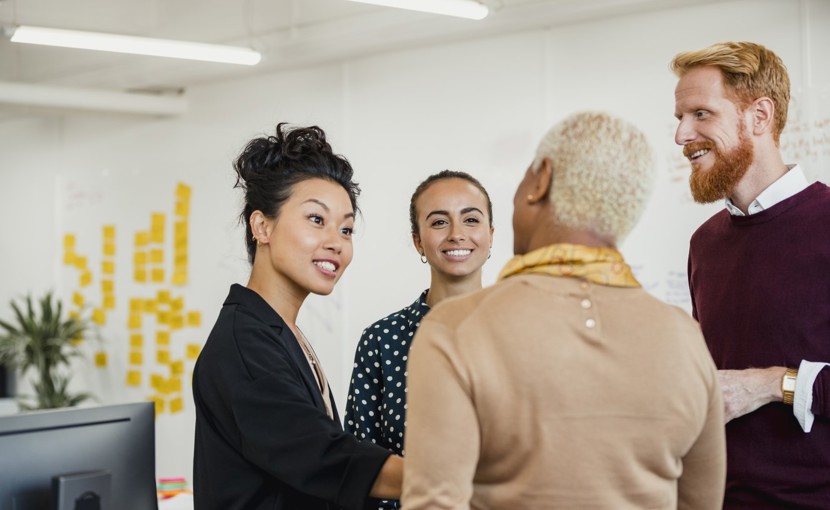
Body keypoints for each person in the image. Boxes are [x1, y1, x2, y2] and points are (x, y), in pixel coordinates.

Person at [401, 111, 726, 509]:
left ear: (541, 180)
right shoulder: (683, 337)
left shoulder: (454, 328)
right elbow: (701, 503)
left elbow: (434, 503)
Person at [192, 123, 403, 510]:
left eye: (347, 228)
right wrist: (452, 477)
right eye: (316, 220)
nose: (336, 242)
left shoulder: (278, 331)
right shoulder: (244, 346)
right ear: (262, 226)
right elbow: (322, 455)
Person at [673, 41, 830, 507]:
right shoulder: (705, 244)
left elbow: (745, 386)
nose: (682, 136)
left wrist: (772, 385)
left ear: (759, 116)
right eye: (679, 118)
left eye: (701, 114)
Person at [345, 170, 494, 509]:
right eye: (439, 222)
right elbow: (358, 465)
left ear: (490, 234)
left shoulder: (522, 333)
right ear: (418, 241)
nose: (457, 234)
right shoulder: (382, 341)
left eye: (471, 219)